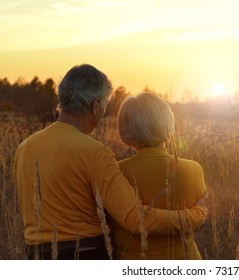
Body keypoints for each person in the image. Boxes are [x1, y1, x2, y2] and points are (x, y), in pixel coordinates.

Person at [13, 64, 207, 260]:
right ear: (96, 105)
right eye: (105, 104)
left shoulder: (25, 148)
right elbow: (136, 219)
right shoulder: (95, 153)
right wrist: (196, 215)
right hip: (85, 256)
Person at [111, 92, 207, 260]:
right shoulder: (193, 169)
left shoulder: (116, 173)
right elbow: (201, 209)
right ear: (168, 123)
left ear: (124, 129)